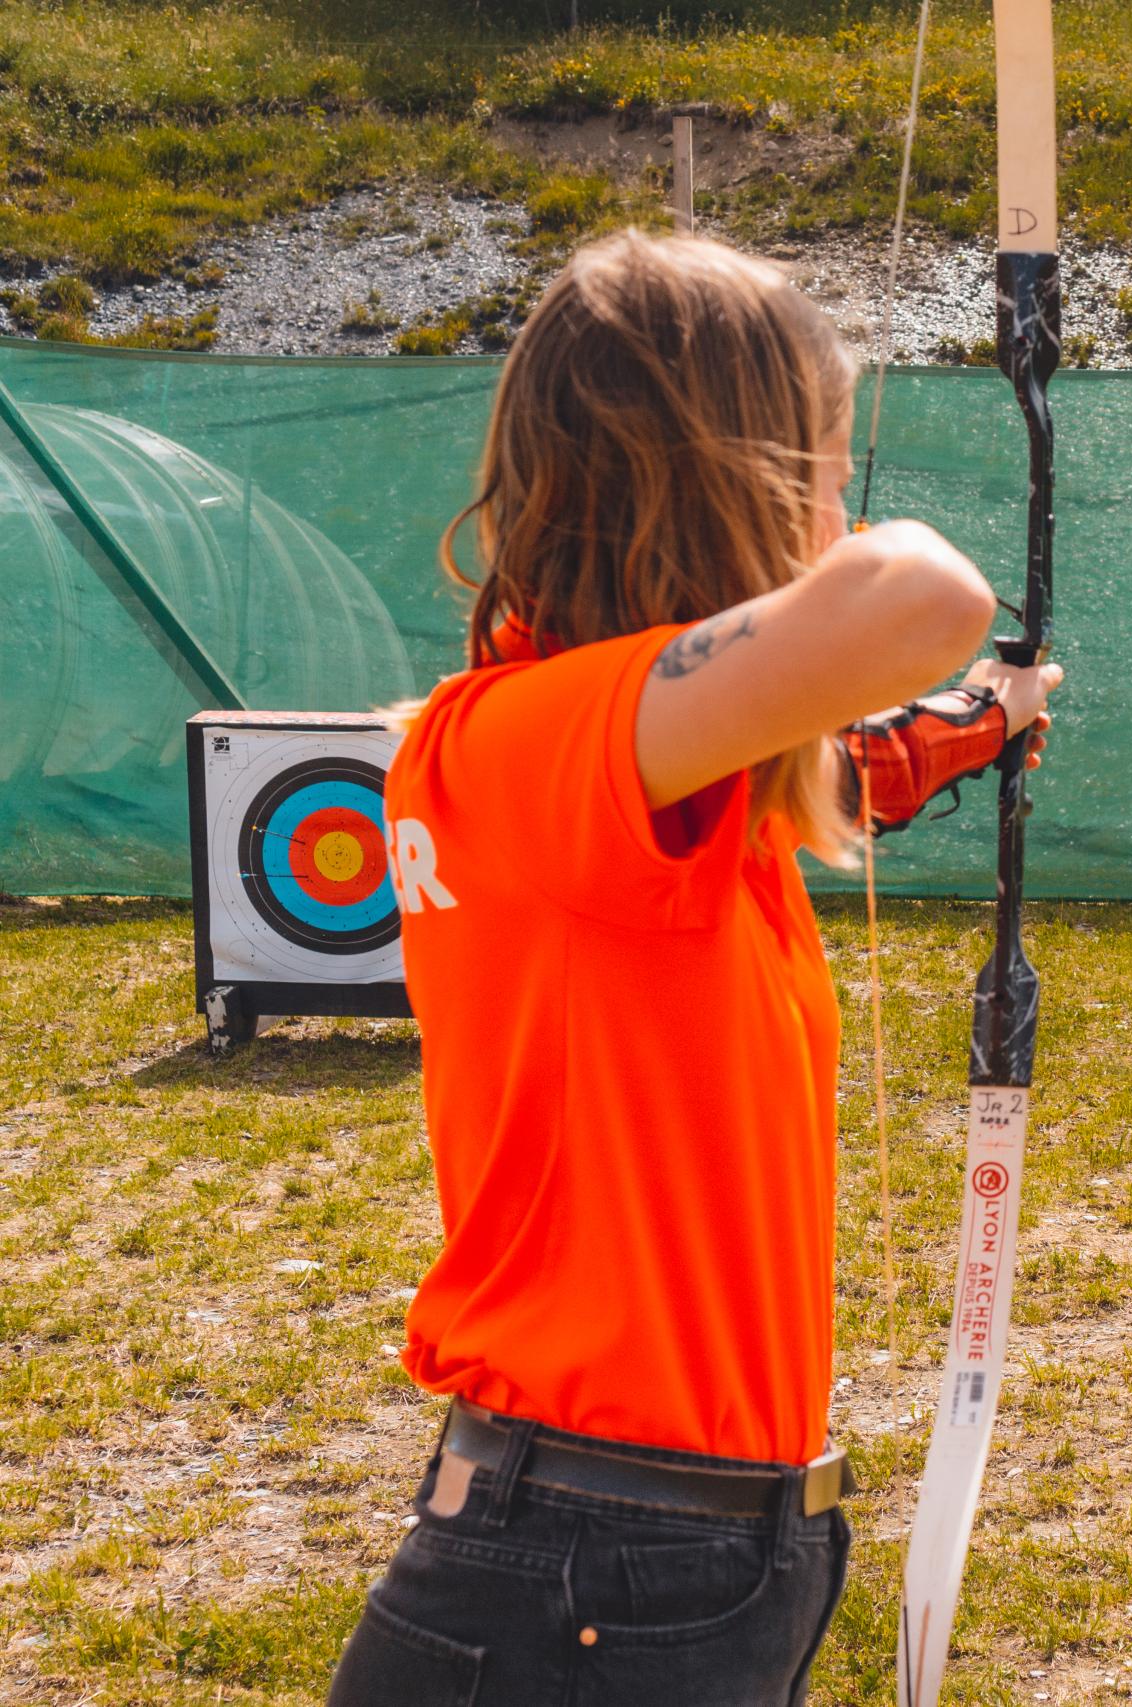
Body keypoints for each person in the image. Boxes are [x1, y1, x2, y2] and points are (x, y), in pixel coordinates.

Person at [328, 230, 1061, 1707]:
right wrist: (877, 593)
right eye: (820, 471)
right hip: (594, 1566)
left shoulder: (614, 782)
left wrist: (980, 726)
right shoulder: (529, 743)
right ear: (725, 483)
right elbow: (922, 598)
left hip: (652, 1560)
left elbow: (831, 773)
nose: (839, 513)